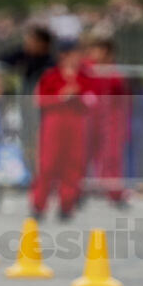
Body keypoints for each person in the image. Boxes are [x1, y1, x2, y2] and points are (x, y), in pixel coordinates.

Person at [30, 38, 96, 221]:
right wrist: (62, 96)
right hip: (54, 123)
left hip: (76, 123)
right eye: (73, 54)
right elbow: (40, 100)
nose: (77, 58)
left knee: (73, 165)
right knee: (48, 164)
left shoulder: (85, 76)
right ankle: (38, 205)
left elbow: (92, 100)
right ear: (63, 56)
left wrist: (79, 97)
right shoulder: (50, 76)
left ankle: (67, 205)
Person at [85, 37, 129, 206]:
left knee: (111, 155)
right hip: (89, 117)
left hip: (111, 118)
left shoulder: (114, 71)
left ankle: (113, 191)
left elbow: (122, 93)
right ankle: (76, 190)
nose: (93, 53)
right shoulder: (86, 67)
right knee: (83, 153)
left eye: (97, 49)